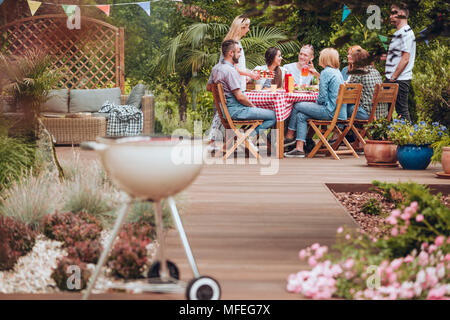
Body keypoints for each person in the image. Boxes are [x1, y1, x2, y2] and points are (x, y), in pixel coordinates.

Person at [206, 40, 276, 146]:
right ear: (231, 53)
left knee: (264, 112)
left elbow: (208, 87)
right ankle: (248, 136)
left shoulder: (216, 68)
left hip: (225, 111)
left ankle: (244, 136)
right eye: (238, 52)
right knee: (274, 115)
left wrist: (223, 94)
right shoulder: (230, 71)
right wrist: (253, 106)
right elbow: (240, 97)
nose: (239, 55)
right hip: (236, 111)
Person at [207, 15, 260, 151]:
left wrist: (245, 76)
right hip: (232, 85)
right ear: (240, 28)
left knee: (221, 112)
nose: (247, 30)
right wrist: (250, 74)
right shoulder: (234, 44)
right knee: (229, 111)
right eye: (246, 27)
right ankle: (243, 138)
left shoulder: (231, 42)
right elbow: (232, 67)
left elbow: (235, 68)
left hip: (232, 82)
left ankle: (217, 141)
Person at [284, 48, 345, 158]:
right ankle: (299, 148)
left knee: (297, 105)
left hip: (330, 111)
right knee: (301, 115)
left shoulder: (326, 72)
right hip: (339, 113)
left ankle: (289, 136)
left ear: (325, 58)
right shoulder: (336, 72)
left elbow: (321, 98)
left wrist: (314, 105)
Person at [384, 2, 416, 122]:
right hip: (392, 78)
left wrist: (393, 77)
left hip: (399, 79)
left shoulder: (406, 33)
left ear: (402, 13)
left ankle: (409, 139)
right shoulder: (398, 33)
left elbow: (405, 58)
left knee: (401, 111)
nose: (390, 16)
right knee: (384, 109)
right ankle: (387, 136)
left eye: (394, 13)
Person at [347, 48, 388, 120]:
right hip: (382, 113)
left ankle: (341, 129)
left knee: (343, 107)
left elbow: (349, 93)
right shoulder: (376, 71)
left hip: (368, 114)